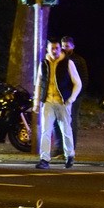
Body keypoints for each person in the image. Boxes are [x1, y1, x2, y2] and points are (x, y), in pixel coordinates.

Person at [34, 38, 82, 169]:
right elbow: (39, 83)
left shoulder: (68, 63)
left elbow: (78, 83)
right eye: (52, 48)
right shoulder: (43, 63)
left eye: (57, 48)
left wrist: (70, 99)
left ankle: (70, 155)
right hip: (48, 101)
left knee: (66, 129)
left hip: (62, 102)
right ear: (47, 49)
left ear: (60, 49)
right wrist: (36, 102)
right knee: (46, 131)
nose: (54, 51)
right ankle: (44, 159)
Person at [58, 36, 88, 153]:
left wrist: (76, 95)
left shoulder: (79, 60)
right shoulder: (58, 59)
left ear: (73, 46)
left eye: (67, 46)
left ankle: (71, 148)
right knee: (59, 121)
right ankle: (59, 147)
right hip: (61, 95)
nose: (65, 48)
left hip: (75, 96)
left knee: (72, 121)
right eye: (63, 46)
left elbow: (84, 79)